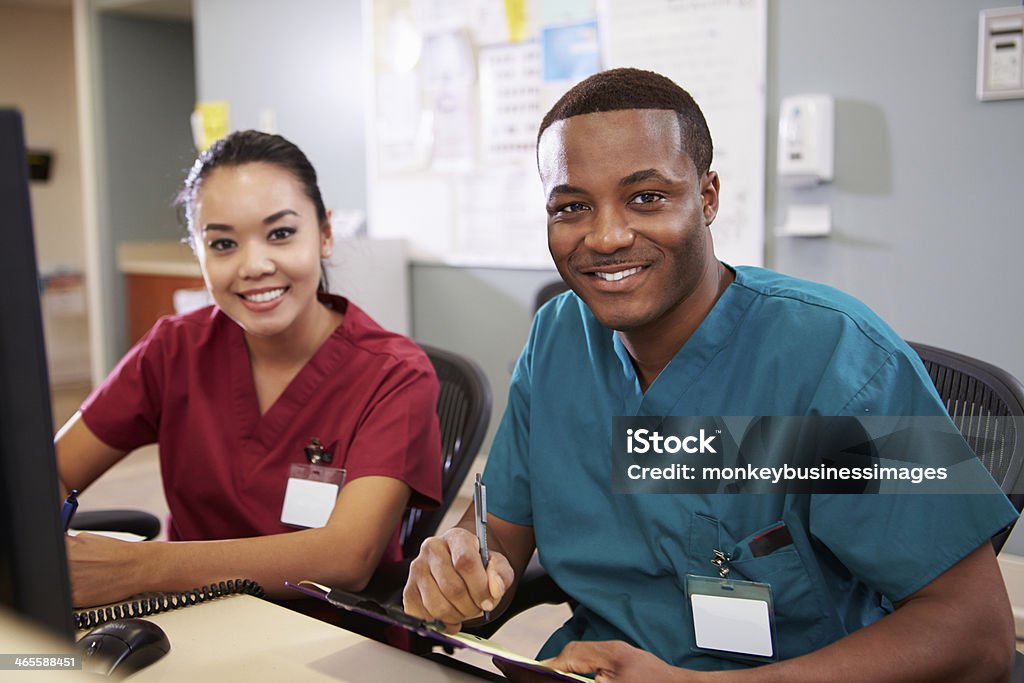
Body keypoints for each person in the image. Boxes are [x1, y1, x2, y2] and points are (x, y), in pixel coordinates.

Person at [403, 68, 1019, 681]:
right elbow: (502, 532)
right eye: (572, 207)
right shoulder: (560, 338)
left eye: (647, 197)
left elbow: (975, 633)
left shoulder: (835, 360)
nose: (608, 235)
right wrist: (460, 560)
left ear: (708, 197)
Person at [57, 130, 441, 609]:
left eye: (280, 234)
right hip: (191, 620)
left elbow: (348, 556)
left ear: (324, 233)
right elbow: (52, 470)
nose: (254, 265)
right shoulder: (174, 349)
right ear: (197, 251)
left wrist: (139, 567)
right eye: (222, 244)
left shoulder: (394, 375)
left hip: (328, 640)